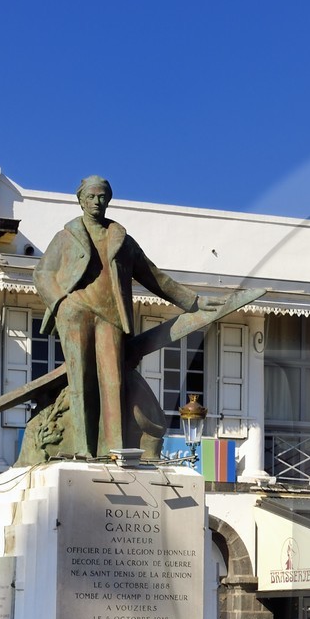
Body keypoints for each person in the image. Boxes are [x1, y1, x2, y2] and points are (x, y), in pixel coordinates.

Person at [35, 175, 223, 458]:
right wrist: (61, 303)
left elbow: (155, 277)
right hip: (76, 313)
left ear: (108, 200)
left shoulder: (121, 240)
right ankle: (83, 450)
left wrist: (193, 302)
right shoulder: (65, 237)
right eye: (91, 196)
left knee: (114, 382)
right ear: (81, 200)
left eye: (102, 196)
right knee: (81, 380)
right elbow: (42, 274)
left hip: (110, 316)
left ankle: (113, 451)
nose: (97, 201)